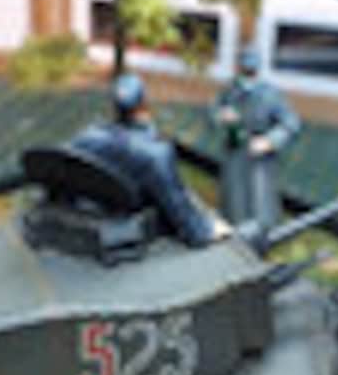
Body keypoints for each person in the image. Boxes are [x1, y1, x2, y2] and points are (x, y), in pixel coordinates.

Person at [70, 74, 231, 248]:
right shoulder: (156, 153)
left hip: (99, 213)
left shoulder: (88, 137)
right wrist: (208, 230)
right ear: (143, 105)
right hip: (133, 225)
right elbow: (185, 219)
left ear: (114, 107)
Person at [210, 46, 301, 230]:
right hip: (234, 151)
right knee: (234, 195)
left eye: (251, 71)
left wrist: (270, 141)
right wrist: (221, 116)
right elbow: (213, 111)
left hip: (259, 156)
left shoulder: (271, 95)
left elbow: (291, 123)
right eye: (244, 69)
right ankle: (233, 224)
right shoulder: (229, 91)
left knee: (260, 197)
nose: (247, 75)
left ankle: (263, 229)